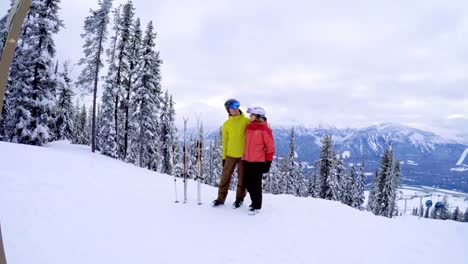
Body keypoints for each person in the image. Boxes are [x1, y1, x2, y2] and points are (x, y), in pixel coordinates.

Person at [212, 99, 251, 208]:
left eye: (237, 105)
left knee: (242, 179)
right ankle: (220, 199)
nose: (236, 108)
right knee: (225, 178)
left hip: (243, 156)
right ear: (228, 110)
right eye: (233, 107)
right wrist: (224, 157)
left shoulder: (246, 121)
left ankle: (239, 199)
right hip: (230, 155)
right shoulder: (226, 124)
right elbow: (224, 142)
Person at [243, 106, 275, 215]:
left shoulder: (265, 130)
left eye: (251, 114)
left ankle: (257, 206)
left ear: (257, 117)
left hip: (258, 161)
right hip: (247, 160)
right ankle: (253, 202)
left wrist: (268, 162)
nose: (249, 116)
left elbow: (270, 148)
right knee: (247, 183)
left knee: (256, 184)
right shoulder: (248, 127)